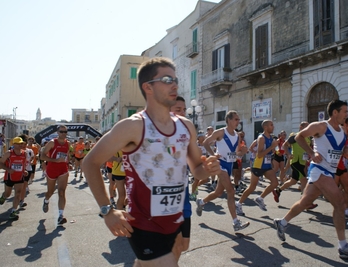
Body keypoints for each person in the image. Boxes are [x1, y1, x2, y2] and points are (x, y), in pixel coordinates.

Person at [82, 57, 221, 267]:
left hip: (175, 220)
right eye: (166, 79)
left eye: (175, 79)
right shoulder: (132, 126)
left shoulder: (186, 126)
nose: (174, 84)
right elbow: (90, 163)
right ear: (148, 87)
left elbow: (197, 171)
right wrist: (107, 210)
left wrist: (208, 169)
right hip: (143, 225)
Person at [273, 100, 348, 260]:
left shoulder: (342, 131)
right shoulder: (321, 126)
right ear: (335, 113)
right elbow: (299, 137)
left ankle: (282, 222)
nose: (347, 114)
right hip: (319, 170)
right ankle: (343, 246)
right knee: (339, 202)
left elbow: (336, 149)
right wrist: (311, 153)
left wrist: (345, 151)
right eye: (344, 111)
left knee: (304, 202)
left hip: (330, 172)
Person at [195, 110, 250, 231]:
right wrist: (213, 154)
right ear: (229, 120)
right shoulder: (220, 132)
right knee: (231, 191)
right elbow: (205, 143)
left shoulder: (237, 136)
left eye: (238, 119)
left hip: (229, 165)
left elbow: (235, 154)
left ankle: (201, 202)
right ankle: (236, 222)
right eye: (236, 119)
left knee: (218, 193)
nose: (238, 121)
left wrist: (243, 151)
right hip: (220, 165)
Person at [235, 120, 278, 216]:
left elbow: (270, 152)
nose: (273, 126)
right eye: (271, 125)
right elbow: (259, 154)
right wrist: (272, 147)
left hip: (267, 165)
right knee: (252, 187)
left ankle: (260, 198)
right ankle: (238, 203)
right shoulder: (261, 138)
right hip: (258, 165)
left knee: (275, 183)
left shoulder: (271, 138)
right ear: (266, 127)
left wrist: (274, 150)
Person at [272, 121, 318, 210]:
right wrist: (288, 154)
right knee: (304, 181)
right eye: (305, 126)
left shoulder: (308, 138)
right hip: (295, 161)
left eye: (308, 126)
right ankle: (306, 203)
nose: (307, 128)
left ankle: (278, 191)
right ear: (300, 127)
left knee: (293, 181)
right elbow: (285, 145)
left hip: (302, 162)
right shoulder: (295, 136)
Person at [169, 95, 192, 262]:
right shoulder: (149, 131)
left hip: (183, 198)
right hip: (161, 204)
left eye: (184, 110)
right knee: (171, 250)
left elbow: (197, 166)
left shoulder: (186, 132)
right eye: (178, 110)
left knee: (184, 245)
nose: (182, 113)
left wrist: (206, 166)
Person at [40, 125, 70, 225]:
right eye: (61, 132)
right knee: (50, 191)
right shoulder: (52, 142)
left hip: (63, 170)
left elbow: (67, 154)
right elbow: (42, 156)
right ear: (57, 132)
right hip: (52, 169)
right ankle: (46, 200)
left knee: (61, 192)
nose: (64, 133)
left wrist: (68, 163)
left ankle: (61, 216)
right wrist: (55, 160)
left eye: (65, 132)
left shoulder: (68, 143)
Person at [0, 137, 28, 220]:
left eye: (21, 143)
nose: (21, 145)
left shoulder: (24, 153)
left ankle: (13, 211)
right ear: (14, 144)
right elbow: (1, 163)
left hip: (19, 177)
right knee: (8, 194)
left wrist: (24, 170)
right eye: (18, 143)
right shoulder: (9, 153)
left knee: (18, 193)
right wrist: (8, 169)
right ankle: (3, 197)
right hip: (9, 177)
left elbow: (23, 165)